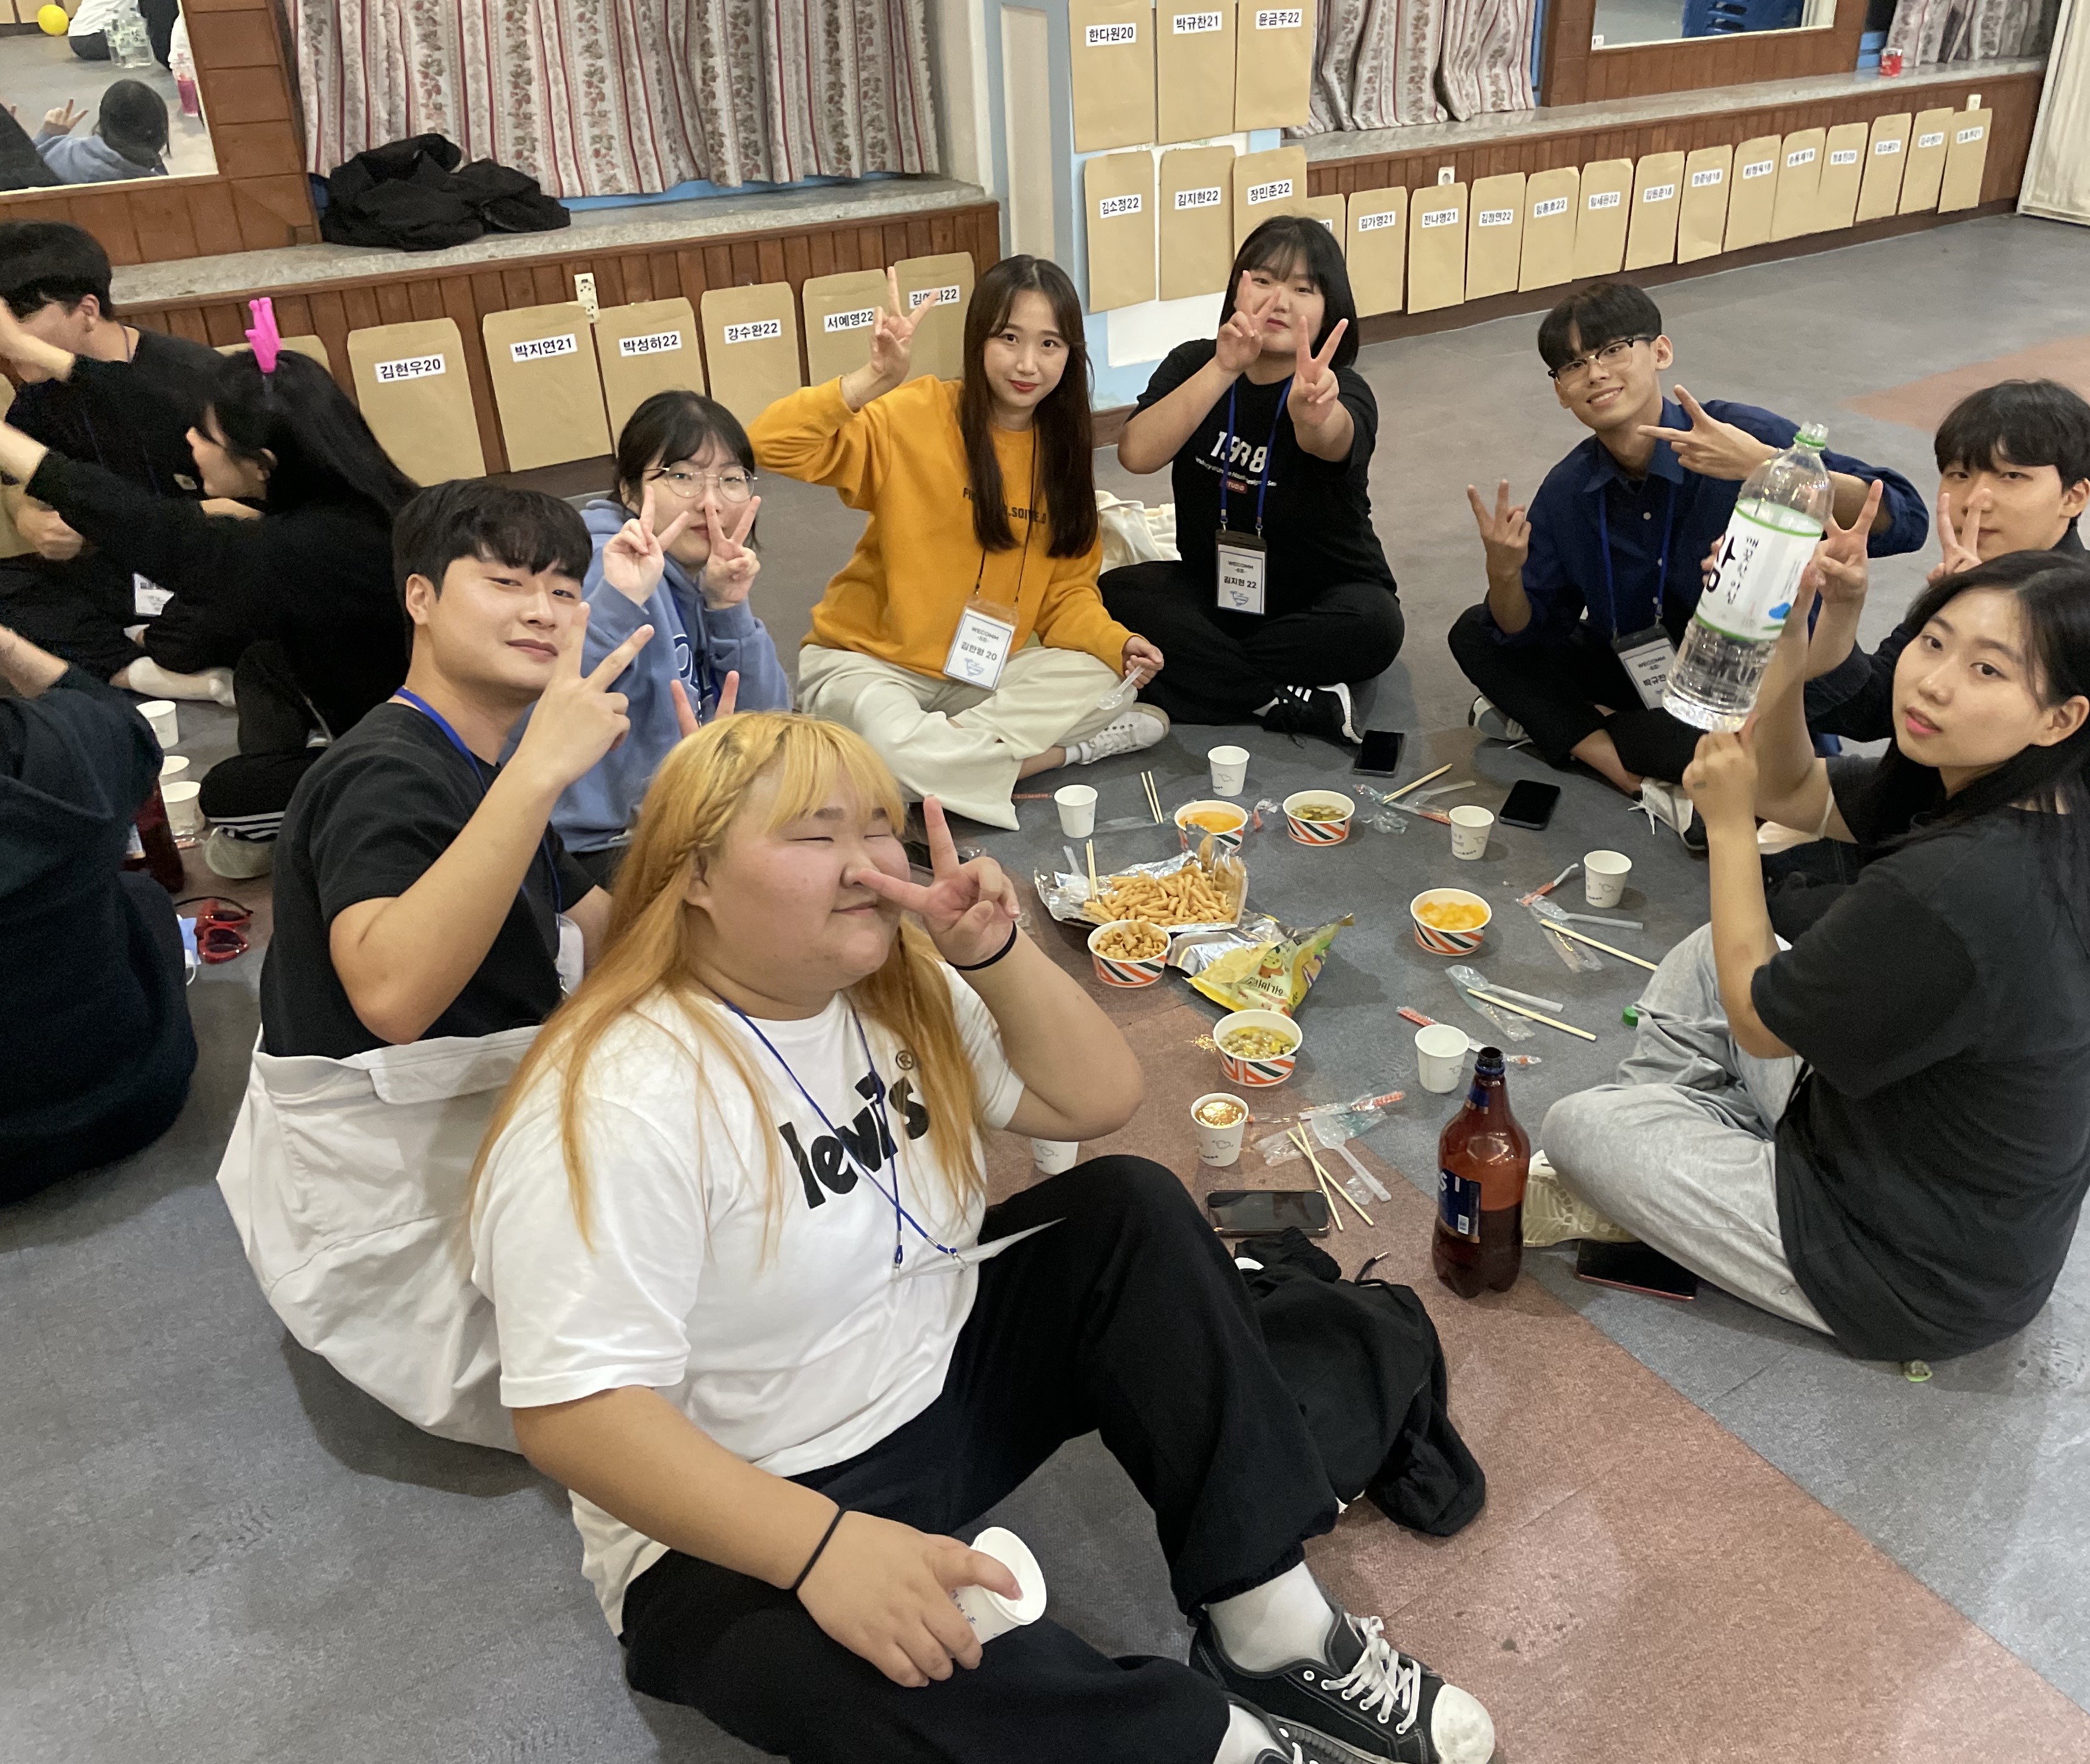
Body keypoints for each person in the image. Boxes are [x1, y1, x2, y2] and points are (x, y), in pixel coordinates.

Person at [469, 712, 1495, 1764]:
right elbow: (574, 1417)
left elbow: (1097, 1097)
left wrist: (996, 954)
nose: (867, 863)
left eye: (878, 826)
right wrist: (820, 1548)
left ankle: (1272, 1629)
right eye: (816, 834)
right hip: (755, 1488)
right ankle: (1202, 1744)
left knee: (1129, 1208)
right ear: (693, 874)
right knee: (827, 1667)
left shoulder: (894, 984)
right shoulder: (615, 1093)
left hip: (945, 1370)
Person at [1533, 530, 2090, 1364]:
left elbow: (1757, 1025)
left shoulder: (1956, 884)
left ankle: (1665, 1163)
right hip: (1902, 1155)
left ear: (2061, 717)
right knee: (1715, 951)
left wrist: (1728, 827)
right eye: (1934, 641)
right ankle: (1679, 1152)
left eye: (1988, 670)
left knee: (1581, 1129)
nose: (1935, 681)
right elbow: (1793, 788)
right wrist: (1788, 647)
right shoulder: (2028, 794)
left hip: (1908, 1270)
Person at [219, 481, 646, 1447]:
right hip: (399, 1205)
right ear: (420, 597)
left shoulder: (473, 758)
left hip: (457, 1122)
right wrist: (541, 771)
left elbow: (609, 928)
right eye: (506, 582)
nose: (544, 611)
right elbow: (393, 997)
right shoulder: (388, 772)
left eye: (564, 590)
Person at [1448, 280, 1927, 822]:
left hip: (1758, 684)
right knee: (1474, 631)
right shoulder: (1570, 490)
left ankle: (1582, 729)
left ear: (1660, 352)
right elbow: (1526, 632)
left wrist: (1767, 466)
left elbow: (1906, 519)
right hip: (1649, 673)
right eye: (1574, 365)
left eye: (1612, 350)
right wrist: (1504, 575)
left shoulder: (1740, 434)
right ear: (1560, 391)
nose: (1596, 373)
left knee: (1723, 741)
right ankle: (1624, 768)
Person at [750, 257, 1166, 830]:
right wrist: (872, 379)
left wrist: (1118, 644)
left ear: (1071, 355)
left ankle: (910, 765)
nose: (1027, 364)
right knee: (888, 739)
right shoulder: (916, 414)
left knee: (1103, 681)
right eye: (1009, 338)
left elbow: (1065, 597)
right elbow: (769, 445)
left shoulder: (1063, 456)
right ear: (979, 340)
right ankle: (1056, 755)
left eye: (1049, 344)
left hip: (980, 677)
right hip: (870, 664)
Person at [0, 311, 419, 879]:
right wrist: (40, 354)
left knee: (227, 797)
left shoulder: (300, 550)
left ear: (262, 465)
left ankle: (333, 805)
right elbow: (162, 402)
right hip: (376, 687)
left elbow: (140, 523)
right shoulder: (350, 490)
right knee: (261, 664)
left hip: (414, 756)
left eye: (204, 436)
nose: (189, 441)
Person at [1802, 377, 2090, 960]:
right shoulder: (1976, 580)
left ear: (2074, 496)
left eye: (2012, 477)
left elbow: (2072, 792)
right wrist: (1840, 607)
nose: (1977, 499)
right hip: (1951, 831)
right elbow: (1866, 711)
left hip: (2051, 885)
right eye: (1959, 474)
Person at [1108, 216, 1398, 744]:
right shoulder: (1194, 363)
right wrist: (1225, 368)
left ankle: (1199, 679)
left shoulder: (1340, 389)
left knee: (1375, 625)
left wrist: (1314, 416)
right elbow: (1136, 455)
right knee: (1115, 594)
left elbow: (1333, 438)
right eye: (1263, 280)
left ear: (1330, 307)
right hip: (1216, 590)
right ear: (1237, 290)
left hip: (1318, 600)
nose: (1279, 301)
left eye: (1303, 289)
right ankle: (1282, 700)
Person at [555, 390, 790, 890]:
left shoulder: (694, 576)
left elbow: (770, 725)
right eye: (682, 476)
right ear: (629, 491)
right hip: (596, 847)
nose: (710, 502)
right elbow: (551, 706)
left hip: (685, 817)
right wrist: (620, 599)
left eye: (730, 479)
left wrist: (728, 607)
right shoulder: (602, 565)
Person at [1, 619, 195, 1206]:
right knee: (142, 897)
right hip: (133, 1096)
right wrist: (9, 646)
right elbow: (131, 729)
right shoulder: (58, 745)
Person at [0, 220, 232, 696]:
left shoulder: (191, 377)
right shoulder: (38, 396)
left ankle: (146, 654)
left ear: (87, 310)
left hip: (203, 564)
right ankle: (144, 672)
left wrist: (126, 522)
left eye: (17, 319)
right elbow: (16, 481)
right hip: (118, 576)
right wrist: (29, 519)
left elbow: (259, 512)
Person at [37, 80, 169, 184]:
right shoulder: (152, 187)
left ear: (103, 120)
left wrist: (46, 136)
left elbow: (27, 173)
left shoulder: (57, 151)